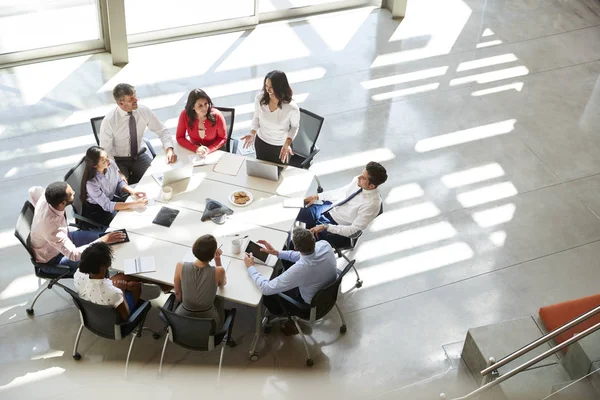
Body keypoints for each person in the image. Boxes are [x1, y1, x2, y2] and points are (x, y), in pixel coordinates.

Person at [28, 182, 126, 270]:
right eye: (71, 194)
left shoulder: (46, 196)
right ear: (62, 203)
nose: (74, 192)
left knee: (106, 237)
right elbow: (74, 255)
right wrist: (102, 240)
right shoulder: (53, 229)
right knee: (102, 255)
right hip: (54, 257)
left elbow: (32, 190)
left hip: (65, 237)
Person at [244, 227, 337, 318]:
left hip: (308, 307)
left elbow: (266, 288)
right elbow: (301, 256)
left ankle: (279, 313)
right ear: (313, 239)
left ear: (296, 247)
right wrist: (277, 252)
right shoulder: (324, 244)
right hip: (326, 293)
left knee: (265, 293)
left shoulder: (301, 269)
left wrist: (251, 267)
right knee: (286, 262)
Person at [100, 83, 177, 184]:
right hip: (118, 160)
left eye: (135, 95)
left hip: (138, 156)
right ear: (121, 103)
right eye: (131, 99)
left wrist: (169, 149)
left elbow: (162, 131)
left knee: (158, 179)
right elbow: (106, 152)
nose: (136, 100)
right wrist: (117, 172)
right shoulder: (109, 121)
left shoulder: (143, 111)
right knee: (121, 187)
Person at [297, 161, 388, 248]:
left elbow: (352, 230)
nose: (358, 177)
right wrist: (317, 196)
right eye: (361, 173)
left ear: (371, 186)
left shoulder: (372, 205)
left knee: (297, 246)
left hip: (335, 227)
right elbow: (341, 192)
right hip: (327, 210)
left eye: (363, 178)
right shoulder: (359, 181)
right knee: (292, 210)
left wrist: (326, 227)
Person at [241, 70, 300, 164]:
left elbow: (294, 127)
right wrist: (252, 133)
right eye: (266, 86)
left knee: (278, 176)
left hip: (281, 147)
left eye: (271, 87)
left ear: (280, 88)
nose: (268, 90)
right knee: (261, 173)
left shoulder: (291, 107)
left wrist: (287, 144)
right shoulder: (260, 99)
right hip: (262, 143)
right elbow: (256, 118)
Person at [81, 146, 148, 227]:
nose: (108, 161)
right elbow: (108, 206)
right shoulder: (91, 183)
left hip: (111, 200)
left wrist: (132, 191)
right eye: (103, 161)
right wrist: (134, 204)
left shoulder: (111, 164)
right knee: (127, 222)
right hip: (98, 211)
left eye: (107, 157)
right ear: (95, 165)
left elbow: (119, 182)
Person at [171, 235, 227, 329]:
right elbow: (223, 283)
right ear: (213, 254)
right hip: (209, 323)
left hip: (182, 319)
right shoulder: (219, 271)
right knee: (220, 299)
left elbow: (177, 293)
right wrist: (218, 261)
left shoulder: (180, 266)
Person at [74, 242, 140, 320]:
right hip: (112, 324)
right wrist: (122, 290)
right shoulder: (115, 293)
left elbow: (103, 287)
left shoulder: (78, 273)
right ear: (102, 267)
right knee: (137, 286)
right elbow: (125, 315)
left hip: (91, 314)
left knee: (122, 277)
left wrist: (120, 287)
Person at [176, 89, 227, 156]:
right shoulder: (184, 115)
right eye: (200, 106)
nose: (204, 108)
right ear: (192, 107)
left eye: (206, 104)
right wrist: (196, 148)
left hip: (215, 151)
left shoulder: (217, 115)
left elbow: (222, 138)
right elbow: (180, 137)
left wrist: (209, 150)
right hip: (196, 153)